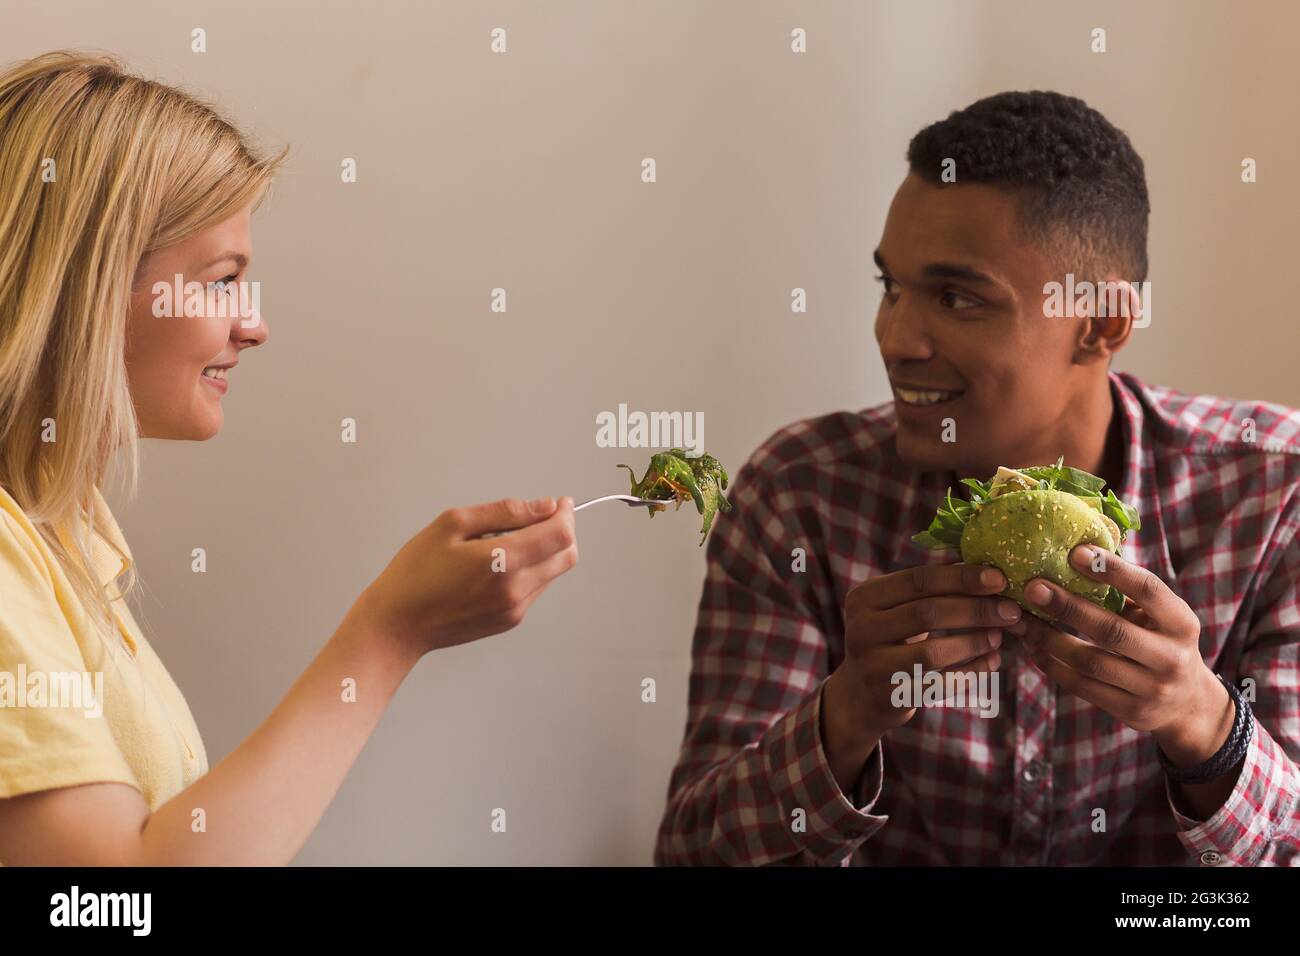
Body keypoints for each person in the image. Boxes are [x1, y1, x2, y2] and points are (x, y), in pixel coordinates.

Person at [655, 90, 1300, 866]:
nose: (895, 339)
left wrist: (1203, 725)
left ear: (1100, 325)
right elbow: (694, 853)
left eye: (958, 298)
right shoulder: (800, 496)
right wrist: (850, 713)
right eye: (890, 287)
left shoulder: (1272, 497)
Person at [0, 50, 578, 865]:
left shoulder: (67, 541)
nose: (254, 326)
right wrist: (389, 634)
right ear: (88, 286)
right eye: (223, 280)